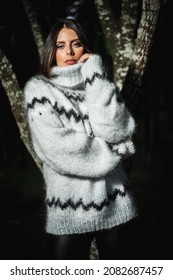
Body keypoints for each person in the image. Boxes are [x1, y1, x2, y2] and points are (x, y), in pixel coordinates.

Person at [23, 18, 138, 260]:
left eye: (76, 44)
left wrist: (95, 76)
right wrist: (114, 152)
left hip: (116, 202)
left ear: (85, 47)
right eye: (61, 46)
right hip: (68, 208)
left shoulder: (97, 84)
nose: (70, 52)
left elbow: (118, 129)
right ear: (51, 51)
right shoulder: (39, 90)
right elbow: (59, 148)